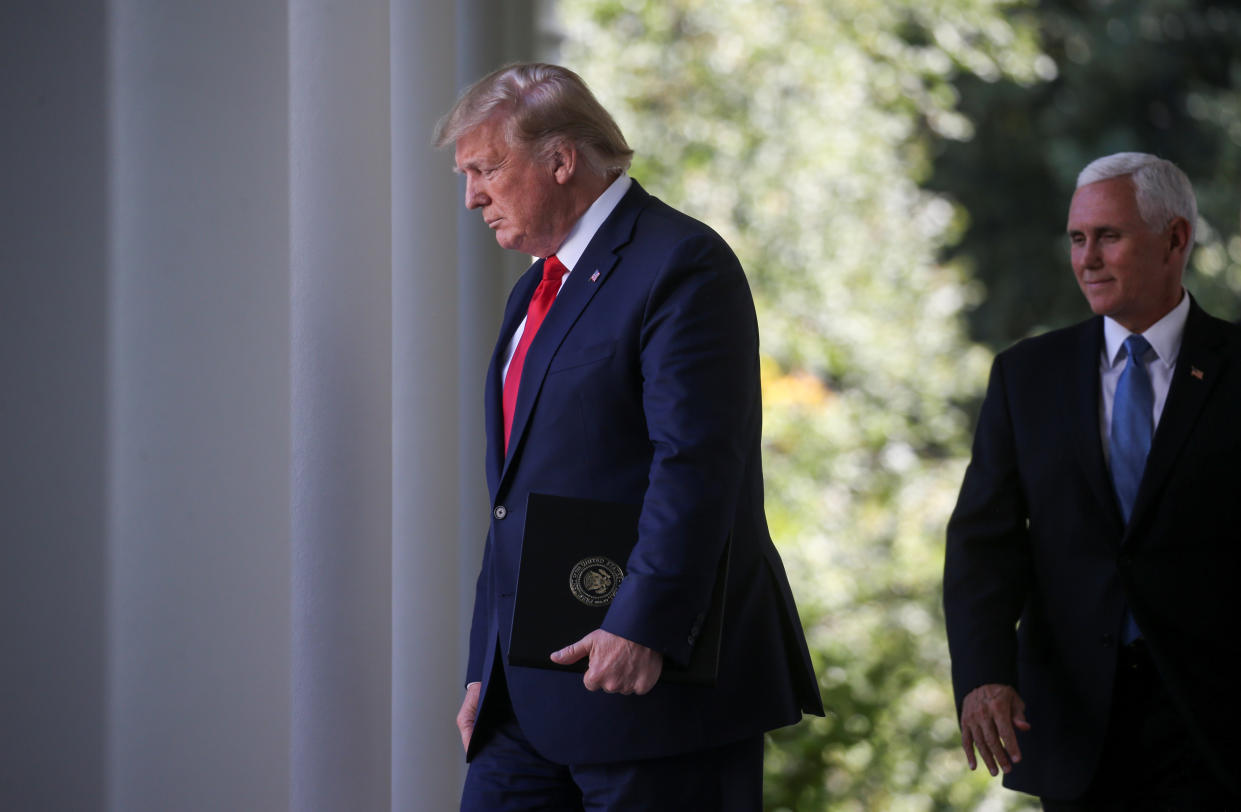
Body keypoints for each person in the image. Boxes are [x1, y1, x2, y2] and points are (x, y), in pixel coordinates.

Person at [434, 63, 823, 811]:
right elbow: (515, 494)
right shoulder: (531, 289)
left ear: (560, 160)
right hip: (526, 694)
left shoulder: (682, 263)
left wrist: (641, 622)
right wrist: (483, 667)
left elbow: (698, 464)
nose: (472, 195)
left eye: (485, 169)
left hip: (654, 683)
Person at [943, 152, 1241, 809]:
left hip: (1215, 726)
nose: (1087, 259)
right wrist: (983, 676)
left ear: (1174, 239)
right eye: (1077, 239)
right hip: (1073, 721)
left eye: (1108, 236)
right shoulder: (1026, 376)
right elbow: (982, 545)